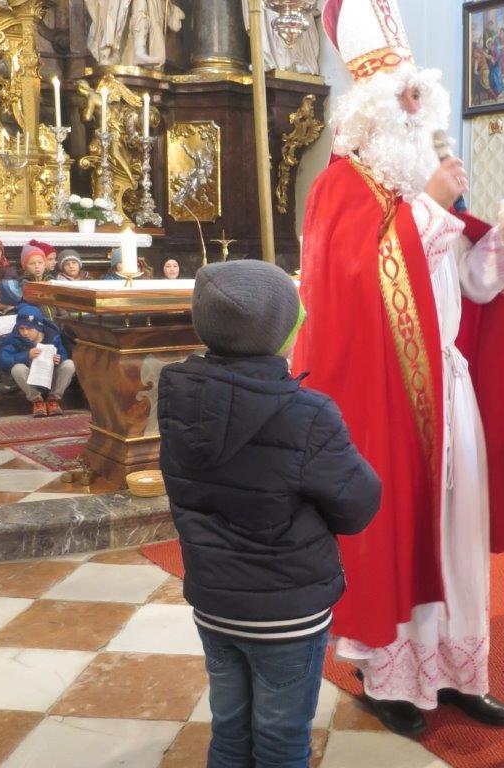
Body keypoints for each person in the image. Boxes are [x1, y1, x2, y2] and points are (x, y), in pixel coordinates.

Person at [293, 0, 504, 736]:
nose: (414, 110)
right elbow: (352, 284)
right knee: (399, 535)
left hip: (448, 391)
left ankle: (462, 673)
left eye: (419, 97)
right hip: (385, 401)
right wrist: (430, 207)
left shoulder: (422, 195)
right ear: (368, 111)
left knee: (457, 541)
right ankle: (394, 679)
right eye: (402, 99)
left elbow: (477, 286)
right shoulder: (342, 188)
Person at [158, 261, 381, 768]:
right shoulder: (308, 414)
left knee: (230, 732)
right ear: (283, 332)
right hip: (287, 611)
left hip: (214, 601)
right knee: (282, 743)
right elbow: (358, 506)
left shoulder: (178, 399)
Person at [0, 304, 75, 417]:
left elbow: (63, 354)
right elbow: (3, 359)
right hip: (31, 379)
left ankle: (53, 399)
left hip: (50, 376)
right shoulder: (15, 338)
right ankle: (37, 401)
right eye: (21, 328)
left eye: (29, 328)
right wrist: (26, 355)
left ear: (38, 327)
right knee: (17, 369)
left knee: (69, 365)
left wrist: (59, 358)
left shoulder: (52, 336)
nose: (25, 332)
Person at [0, 280, 25, 395]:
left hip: (15, 354)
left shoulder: (20, 315)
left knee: (4, 344)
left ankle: (10, 378)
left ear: (6, 299)